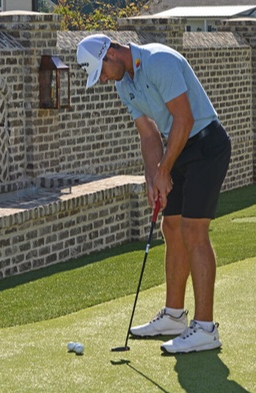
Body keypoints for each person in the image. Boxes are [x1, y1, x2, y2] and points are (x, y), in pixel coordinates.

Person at [77, 34, 231, 354]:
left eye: (102, 72)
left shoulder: (159, 61)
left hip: (206, 145)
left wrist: (165, 170)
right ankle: (174, 317)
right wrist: (152, 178)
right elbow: (148, 134)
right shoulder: (125, 85)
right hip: (180, 148)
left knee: (193, 229)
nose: (104, 80)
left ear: (112, 54)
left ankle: (205, 328)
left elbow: (184, 119)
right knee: (170, 226)